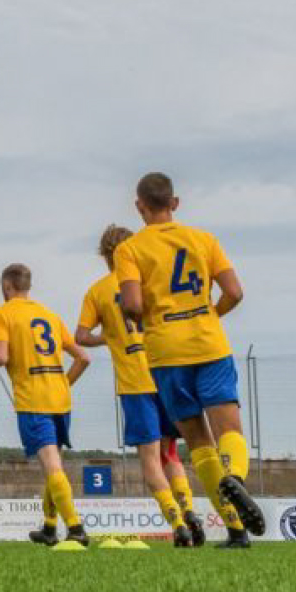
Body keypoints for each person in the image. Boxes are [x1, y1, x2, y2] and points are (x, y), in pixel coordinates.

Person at [112, 173, 260, 547]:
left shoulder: (129, 249)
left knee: (197, 441)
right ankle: (237, 479)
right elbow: (235, 292)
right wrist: (210, 313)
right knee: (230, 432)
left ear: (139, 206)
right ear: (175, 204)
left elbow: (130, 304)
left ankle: (235, 529)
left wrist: (147, 319)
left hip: (166, 351)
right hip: (209, 343)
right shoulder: (204, 239)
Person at [75, 225, 207, 548]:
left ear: (105, 257)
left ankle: (177, 523)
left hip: (135, 385)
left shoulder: (97, 291)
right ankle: (189, 509)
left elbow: (79, 337)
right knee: (171, 452)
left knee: (149, 458)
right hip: (165, 373)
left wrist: (106, 338)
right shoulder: (149, 281)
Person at [0, 264, 91, 547]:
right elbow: (83, 358)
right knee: (53, 464)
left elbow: (2, 357)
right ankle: (50, 527)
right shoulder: (49, 315)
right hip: (60, 398)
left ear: (7, 286)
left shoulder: (0, 314)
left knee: (52, 466)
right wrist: (64, 383)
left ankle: (76, 527)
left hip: (33, 399)